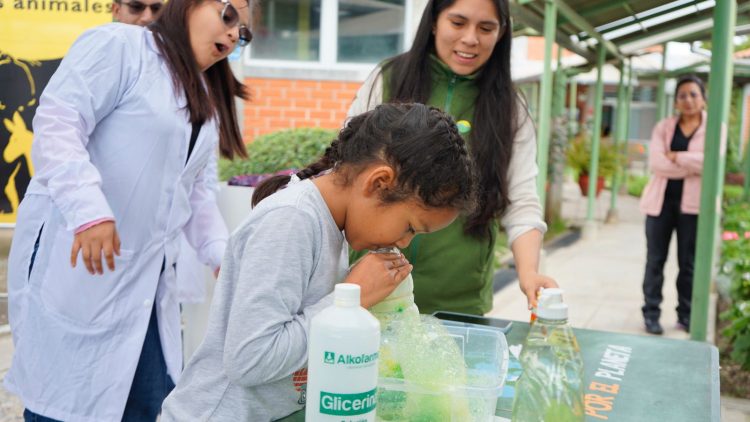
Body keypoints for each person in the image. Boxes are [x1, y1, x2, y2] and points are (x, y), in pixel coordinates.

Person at [4, 0, 254, 420]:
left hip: (148, 293)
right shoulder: (120, 46)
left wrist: (222, 256)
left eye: (242, 32)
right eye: (228, 14)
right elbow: (59, 122)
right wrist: (90, 211)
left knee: (145, 405)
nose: (232, 35)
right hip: (84, 271)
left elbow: (194, 195)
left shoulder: (204, 95)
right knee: (65, 405)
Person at [161, 103, 477, 421]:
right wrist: (352, 298)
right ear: (378, 182)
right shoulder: (292, 220)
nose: (405, 242)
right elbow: (250, 359)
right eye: (410, 227)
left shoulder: (331, 225)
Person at [348, 0, 556, 315]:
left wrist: (528, 274)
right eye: (458, 23)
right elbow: (345, 169)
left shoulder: (511, 106)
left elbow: (522, 200)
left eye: (486, 28)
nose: (471, 38)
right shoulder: (388, 78)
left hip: (458, 302)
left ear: (501, 34)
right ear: (434, 22)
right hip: (370, 290)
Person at [640, 75, 707, 335]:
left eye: (693, 94)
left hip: (693, 208)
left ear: (703, 98)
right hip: (661, 205)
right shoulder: (664, 127)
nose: (688, 100)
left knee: (688, 264)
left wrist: (677, 157)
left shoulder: (714, 128)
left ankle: (686, 315)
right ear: (676, 101)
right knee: (655, 261)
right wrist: (692, 164)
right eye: (682, 95)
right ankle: (651, 314)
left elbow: (711, 161)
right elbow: (657, 164)